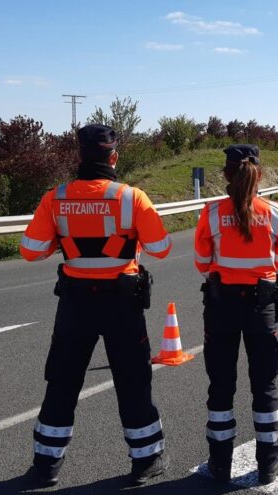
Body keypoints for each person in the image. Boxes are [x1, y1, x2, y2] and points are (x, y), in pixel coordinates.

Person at [19, 124, 172, 487]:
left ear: (80, 157)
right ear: (113, 157)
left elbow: (30, 251)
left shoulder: (54, 198)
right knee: (133, 382)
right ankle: (146, 460)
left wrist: (66, 239)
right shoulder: (131, 197)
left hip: (75, 304)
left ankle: (46, 465)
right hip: (122, 304)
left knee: (62, 381)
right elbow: (161, 248)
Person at [194, 144, 278, 484]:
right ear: (259, 173)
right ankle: (268, 462)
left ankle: (220, 464)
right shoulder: (276, 212)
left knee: (221, 386)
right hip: (261, 306)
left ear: (226, 174)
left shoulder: (210, 213)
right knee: (264, 385)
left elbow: (202, 263)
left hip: (221, 306)